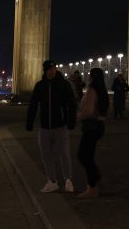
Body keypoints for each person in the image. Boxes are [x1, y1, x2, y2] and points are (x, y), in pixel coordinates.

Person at [25, 60, 78, 193]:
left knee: (64, 154)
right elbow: (33, 104)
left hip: (60, 126)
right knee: (46, 155)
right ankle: (52, 181)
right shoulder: (40, 85)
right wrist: (29, 122)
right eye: (49, 69)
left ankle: (68, 180)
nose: (52, 71)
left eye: (54, 68)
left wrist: (72, 121)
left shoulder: (64, 85)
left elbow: (72, 104)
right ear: (45, 70)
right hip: (44, 127)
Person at [76, 67, 109, 198]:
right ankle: (96, 180)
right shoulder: (102, 90)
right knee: (87, 156)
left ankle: (93, 187)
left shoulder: (92, 90)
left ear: (92, 77)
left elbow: (88, 111)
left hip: (90, 127)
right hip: (99, 126)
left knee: (83, 156)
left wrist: (78, 116)